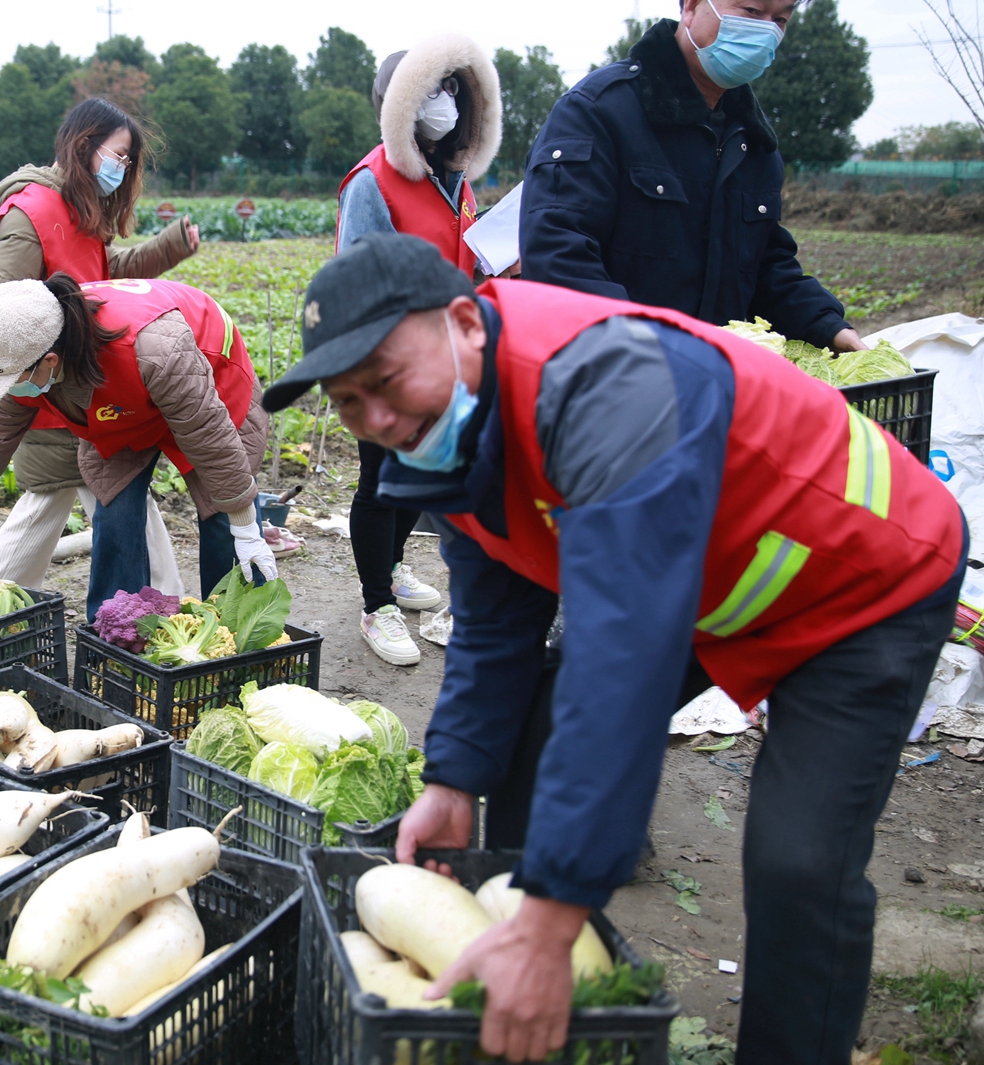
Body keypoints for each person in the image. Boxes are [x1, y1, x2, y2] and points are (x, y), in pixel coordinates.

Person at [263, 233, 963, 1061]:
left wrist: (555, 912)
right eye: (347, 404)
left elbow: (621, 665)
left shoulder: (603, 390)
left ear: (466, 323)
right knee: (528, 733)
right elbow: (492, 622)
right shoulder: (441, 431)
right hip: (712, 586)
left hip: (861, 578)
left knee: (798, 861)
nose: (377, 421)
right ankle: (524, 982)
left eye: (384, 381)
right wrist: (454, 779)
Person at [520, 0, 867, 354]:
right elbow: (559, 254)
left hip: (717, 385)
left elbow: (765, 265)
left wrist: (828, 326)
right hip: (611, 380)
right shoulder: (598, 111)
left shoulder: (753, 140)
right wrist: (644, 350)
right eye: (750, 11)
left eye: (780, 19)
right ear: (693, 7)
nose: (766, 31)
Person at [0, 274, 276, 620]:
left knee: (221, 513)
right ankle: (117, 630)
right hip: (124, 400)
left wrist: (245, 527)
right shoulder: (21, 357)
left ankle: (238, 632)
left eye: (9, 380)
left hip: (207, 381)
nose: (4, 388)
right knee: (115, 506)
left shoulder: (156, 349)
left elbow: (209, 437)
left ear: (50, 361)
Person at [0, 97, 201, 594]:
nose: (123, 168)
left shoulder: (76, 208)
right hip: (54, 390)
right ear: (85, 145)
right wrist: (33, 383)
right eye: (119, 155)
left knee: (65, 502)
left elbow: (104, 276)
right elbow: (5, 313)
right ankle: (168, 605)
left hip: (85, 387)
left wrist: (168, 246)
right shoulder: (30, 212)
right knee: (101, 498)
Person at [334, 34, 501, 666]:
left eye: (451, 90)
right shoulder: (372, 182)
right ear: (396, 105)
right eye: (429, 92)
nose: (444, 103)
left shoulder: (455, 181)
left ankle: (396, 567)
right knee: (381, 480)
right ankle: (376, 605)